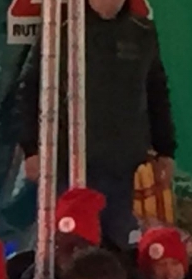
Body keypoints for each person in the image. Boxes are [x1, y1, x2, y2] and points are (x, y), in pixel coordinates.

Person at [15, 0, 177, 252]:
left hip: (127, 170)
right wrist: (31, 149)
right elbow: (31, 89)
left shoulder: (142, 32)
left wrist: (165, 150)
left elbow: (157, 94)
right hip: (70, 168)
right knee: (71, 251)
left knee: (127, 253)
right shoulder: (60, 30)